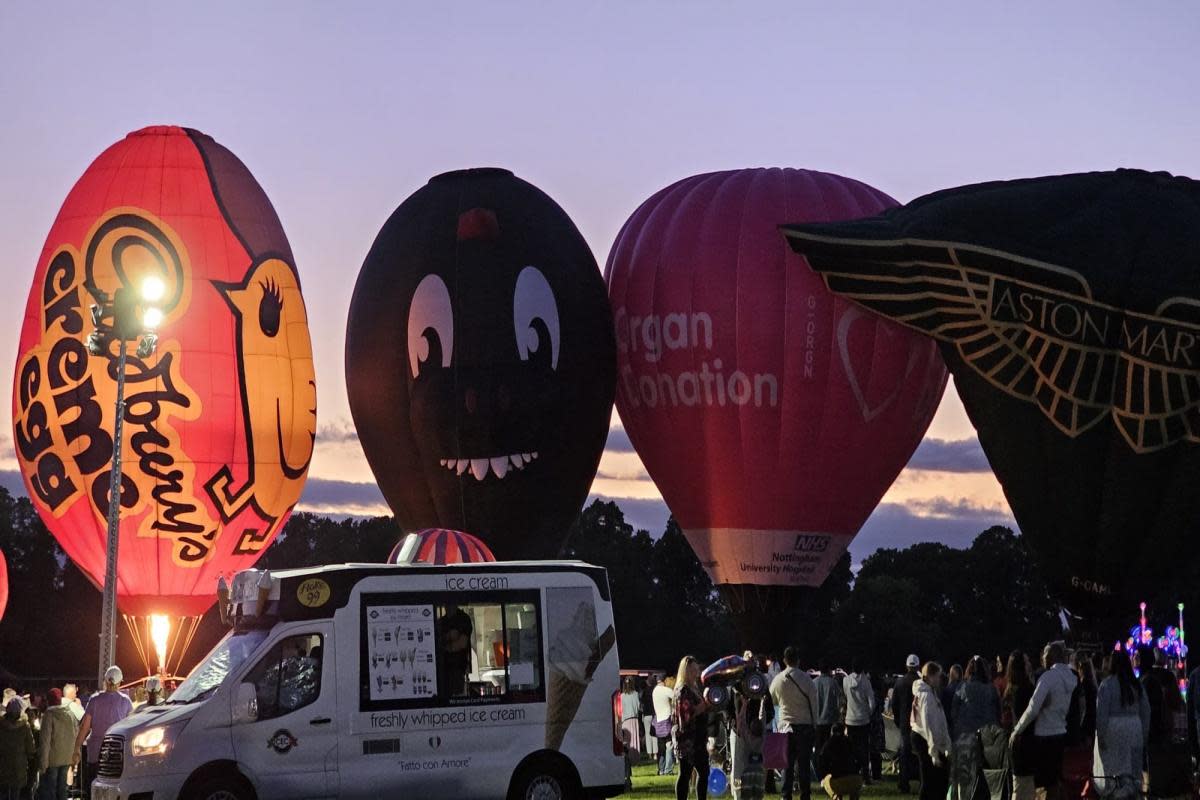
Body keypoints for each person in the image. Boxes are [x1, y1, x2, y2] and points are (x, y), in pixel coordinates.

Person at [1011, 642, 1078, 800]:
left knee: (1043, 785)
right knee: (1054, 782)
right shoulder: (1071, 678)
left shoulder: (1048, 677)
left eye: (1045, 656)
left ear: (1052, 657)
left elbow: (1033, 707)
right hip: (1060, 732)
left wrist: (1017, 729)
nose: (1042, 659)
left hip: (1044, 736)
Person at [1092, 650, 1149, 800]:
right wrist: (1144, 732)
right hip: (1135, 728)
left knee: (1115, 770)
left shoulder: (1107, 685)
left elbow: (1102, 713)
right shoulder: (1137, 685)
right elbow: (1146, 711)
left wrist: (1101, 734)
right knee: (1132, 769)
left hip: (1114, 730)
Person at [72, 666, 132, 800]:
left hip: (95, 754)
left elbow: (85, 728)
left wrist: (76, 748)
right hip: (116, 757)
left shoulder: (94, 700)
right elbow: (130, 728)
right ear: (119, 682)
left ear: (105, 680)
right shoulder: (126, 701)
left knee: (93, 791)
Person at [769, 647, 817, 800]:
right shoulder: (807, 679)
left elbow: (773, 700)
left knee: (786, 765)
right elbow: (814, 704)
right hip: (804, 725)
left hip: (785, 727)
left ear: (784, 660)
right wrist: (814, 724)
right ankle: (805, 795)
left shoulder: (778, 679)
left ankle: (786, 795)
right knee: (804, 765)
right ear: (798, 660)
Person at [673, 655, 713, 800]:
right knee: (685, 773)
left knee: (703, 772)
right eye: (693, 670)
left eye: (697, 670)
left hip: (698, 738)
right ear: (686, 671)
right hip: (688, 739)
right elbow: (686, 715)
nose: (696, 673)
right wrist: (702, 707)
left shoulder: (694, 688)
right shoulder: (683, 690)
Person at [911, 662, 951, 800]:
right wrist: (933, 751)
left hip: (923, 737)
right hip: (924, 738)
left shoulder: (926, 692)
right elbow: (929, 723)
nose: (940, 679)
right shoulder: (926, 695)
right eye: (938, 676)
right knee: (931, 781)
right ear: (930, 677)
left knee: (933, 781)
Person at [1002, 650, 1036, 800]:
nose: (1030, 663)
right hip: (1024, 745)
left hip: (1017, 745)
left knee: (1019, 788)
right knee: (1023, 790)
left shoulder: (1011, 689)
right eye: (1027, 661)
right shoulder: (1025, 690)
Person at [952, 656, 1000, 739]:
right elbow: (998, 710)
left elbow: (954, 709)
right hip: (987, 732)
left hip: (966, 732)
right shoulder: (991, 688)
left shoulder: (962, 687)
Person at [842, 660, 874, 785]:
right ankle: (865, 777)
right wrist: (868, 713)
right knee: (864, 749)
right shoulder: (866, 682)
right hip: (863, 720)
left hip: (850, 719)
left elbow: (845, 695)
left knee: (852, 749)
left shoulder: (846, 681)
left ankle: (852, 774)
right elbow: (872, 702)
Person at [892, 654, 920, 794]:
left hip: (904, 722)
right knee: (920, 752)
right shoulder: (921, 682)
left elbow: (894, 704)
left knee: (904, 753)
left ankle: (903, 783)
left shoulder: (900, 682)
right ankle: (921, 779)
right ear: (917, 666)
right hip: (919, 723)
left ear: (907, 666)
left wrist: (898, 720)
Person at [731, 695, 766, 800]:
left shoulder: (747, 738)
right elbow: (763, 718)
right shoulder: (763, 738)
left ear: (750, 728)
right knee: (758, 797)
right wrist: (762, 702)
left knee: (745, 797)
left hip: (746, 773)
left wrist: (744, 705)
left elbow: (741, 722)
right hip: (760, 773)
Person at [0, 698, 35, 800]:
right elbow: (30, 746)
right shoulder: (25, 725)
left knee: (3, 791)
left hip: (3, 762)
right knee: (16, 792)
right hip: (19, 764)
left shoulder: (1, 725)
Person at [818, 724, 863, 800]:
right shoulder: (850, 742)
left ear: (832, 732)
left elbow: (821, 762)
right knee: (853, 787)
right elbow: (860, 758)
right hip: (856, 780)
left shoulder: (828, 744)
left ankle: (836, 796)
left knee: (825, 780)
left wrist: (824, 775)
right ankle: (854, 796)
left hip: (837, 782)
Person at [813, 661, 843, 764]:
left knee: (818, 747)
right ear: (829, 669)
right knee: (829, 747)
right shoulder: (833, 683)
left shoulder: (814, 683)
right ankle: (828, 768)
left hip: (817, 720)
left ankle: (818, 769)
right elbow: (839, 701)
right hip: (830, 720)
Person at [439, 607, 473, 696]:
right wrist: (449, 637)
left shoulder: (463, 619)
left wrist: (445, 644)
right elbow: (435, 644)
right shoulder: (442, 621)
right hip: (442, 672)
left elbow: (461, 644)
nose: (448, 605)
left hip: (458, 670)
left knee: (457, 700)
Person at [620, 676, 642, 786]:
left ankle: (628, 762)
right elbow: (638, 707)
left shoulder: (621, 696)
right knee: (634, 740)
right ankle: (634, 760)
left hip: (625, 721)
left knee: (627, 744)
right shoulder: (636, 694)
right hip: (634, 720)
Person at [654, 675, 677, 775]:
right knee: (669, 745)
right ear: (664, 680)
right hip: (666, 719)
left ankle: (661, 769)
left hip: (658, 720)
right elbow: (676, 695)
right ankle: (668, 769)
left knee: (661, 747)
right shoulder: (665, 690)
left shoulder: (654, 691)